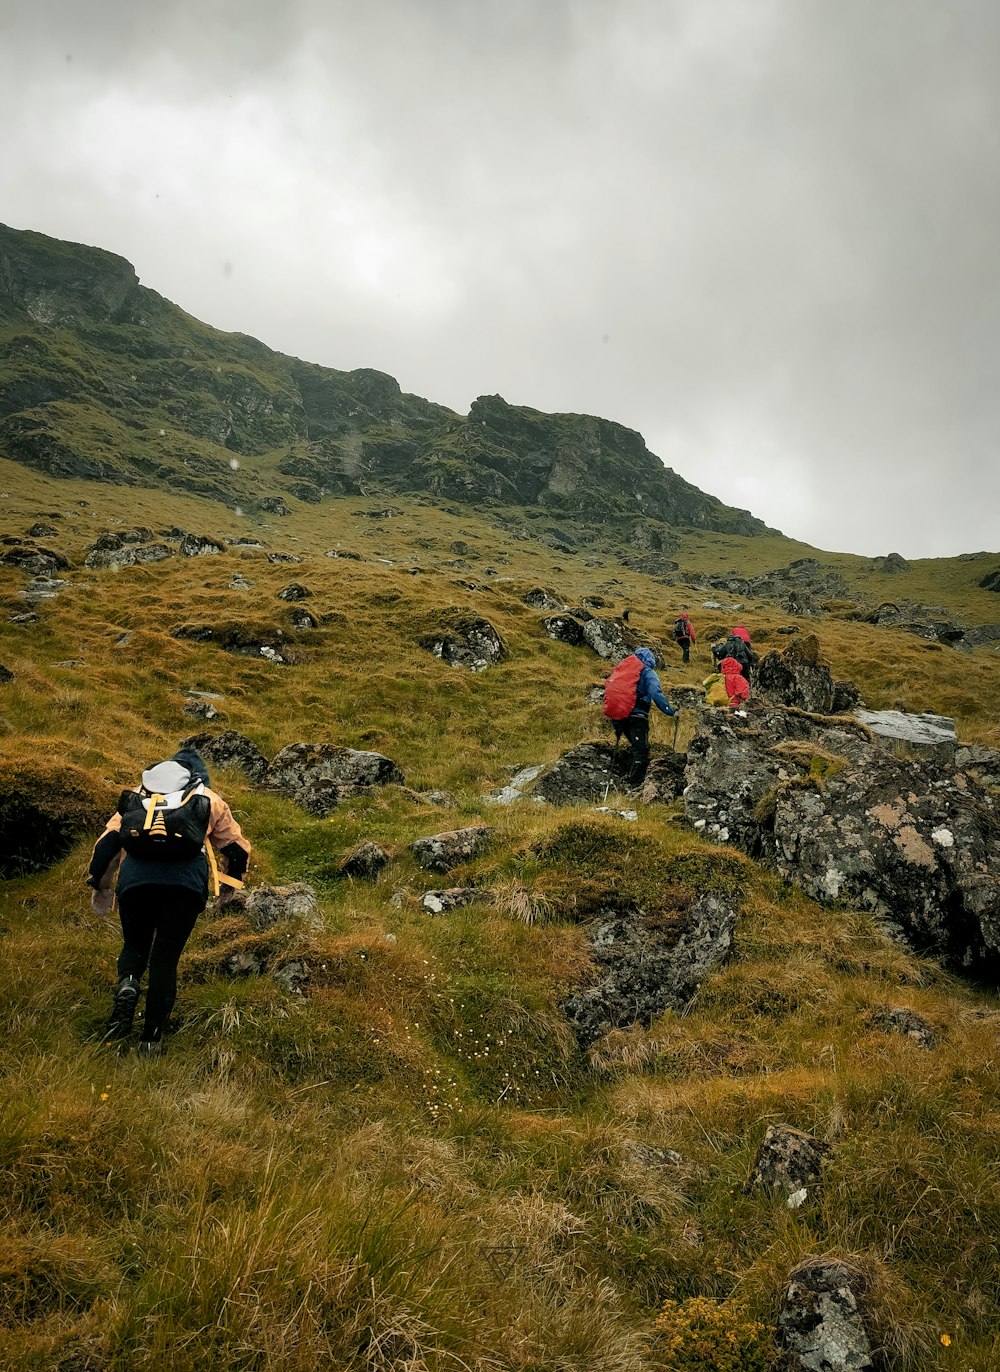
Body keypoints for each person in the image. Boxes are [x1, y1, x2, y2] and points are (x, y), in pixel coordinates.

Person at [88, 746, 251, 1055]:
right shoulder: (207, 798)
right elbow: (236, 849)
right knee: (165, 959)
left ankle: (129, 982)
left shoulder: (139, 796)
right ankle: (151, 1040)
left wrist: (102, 886)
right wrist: (230, 887)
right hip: (185, 886)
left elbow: (107, 844)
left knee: (135, 945)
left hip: (136, 881)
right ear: (197, 776)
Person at [611, 646, 679, 787]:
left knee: (636, 747)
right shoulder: (648, 672)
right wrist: (670, 711)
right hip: (637, 715)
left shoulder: (623, 671)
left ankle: (629, 779)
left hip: (620, 715)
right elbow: (656, 692)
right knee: (641, 751)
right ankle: (634, 785)